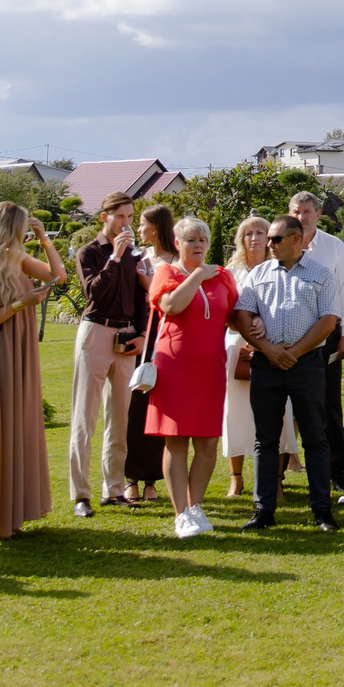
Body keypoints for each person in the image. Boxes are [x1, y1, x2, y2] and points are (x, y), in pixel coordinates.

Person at [229, 215, 342, 531]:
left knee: (315, 438)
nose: (269, 245)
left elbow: (328, 321)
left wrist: (294, 352)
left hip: (305, 366)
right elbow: (242, 314)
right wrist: (267, 349)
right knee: (265, 440)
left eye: (276, 239)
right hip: (267, 363)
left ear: (297, 239)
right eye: (269, 240)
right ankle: (264, 510)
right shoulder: (259, 274)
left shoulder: (321, 274)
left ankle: (321, 511)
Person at [0, 201, 64, 540]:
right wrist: (22, 303)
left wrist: (45, 240)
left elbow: (57, 276)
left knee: (17, 427)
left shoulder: (18, 258)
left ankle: (13, 516)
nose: (25, 233)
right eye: (23, 227)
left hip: (20, 350)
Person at [144, 216, 235, 538]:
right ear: (178, 244)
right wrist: (197, 275)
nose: (198, 245)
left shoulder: (223, 277)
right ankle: (180, 512)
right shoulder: (166, 273)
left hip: (210, 369)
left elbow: (235, 315)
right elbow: (172, 304)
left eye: (203, 240)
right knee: (177, 440)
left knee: (208, 441)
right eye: (191, 240)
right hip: (175, 368)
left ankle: (196, 506)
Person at [68, 196, 148, 518]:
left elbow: (142, 296)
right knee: (84, 418)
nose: (126, 222)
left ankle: (113, 490)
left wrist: (142, 333)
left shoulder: (134, 253)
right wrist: (114, 259)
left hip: (126, 336)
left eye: (130, 216)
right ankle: (80, 495)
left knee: (119, 417)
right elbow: (92, 294)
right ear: (105, 217)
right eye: (119, 216)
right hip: (95, 333)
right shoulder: (90, 252)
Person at [285, 191, 344, 497]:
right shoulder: (279, 243)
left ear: (317, 214)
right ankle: (277, 473)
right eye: (296, 211)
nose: (302, 217)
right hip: (285, 334)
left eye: (307, 211)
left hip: (326, 334)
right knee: (283, 405)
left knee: (328, 404)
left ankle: (335, 471)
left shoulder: (333, 246)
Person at [223, 214, 299, 495]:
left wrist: (264, 323)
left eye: (260, 233)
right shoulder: (232, 272)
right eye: (248, 233)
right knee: (236, 415)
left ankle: (275, 479)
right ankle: (236, 477)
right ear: (241, 240)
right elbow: (225, 311)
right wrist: (246, 324)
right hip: (238, 346)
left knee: (277, 415)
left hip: (275, 347)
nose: (254, 238)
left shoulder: (282, 267)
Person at [119, 202, 182, 507]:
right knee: (134, 408)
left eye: (142, 224)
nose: (137, 229)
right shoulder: (136, 258)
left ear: (155, 228)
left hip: (164, 336)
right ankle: (131, 476)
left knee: (160, 408)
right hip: (136, 336)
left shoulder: (176, 262)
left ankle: (152, 478)